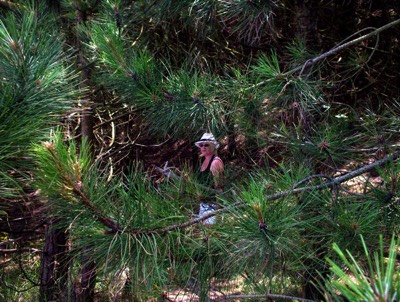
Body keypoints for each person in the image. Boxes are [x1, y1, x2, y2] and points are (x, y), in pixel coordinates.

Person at [194, 132, 224, 225]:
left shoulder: (215, 162)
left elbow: (219, 188)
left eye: (206, 145)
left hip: (213, 205)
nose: (203, 147)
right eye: (201, 145)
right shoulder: (202, 161)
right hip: (203, 204)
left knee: (211, 232)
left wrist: (218, 211)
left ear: (213, 146)